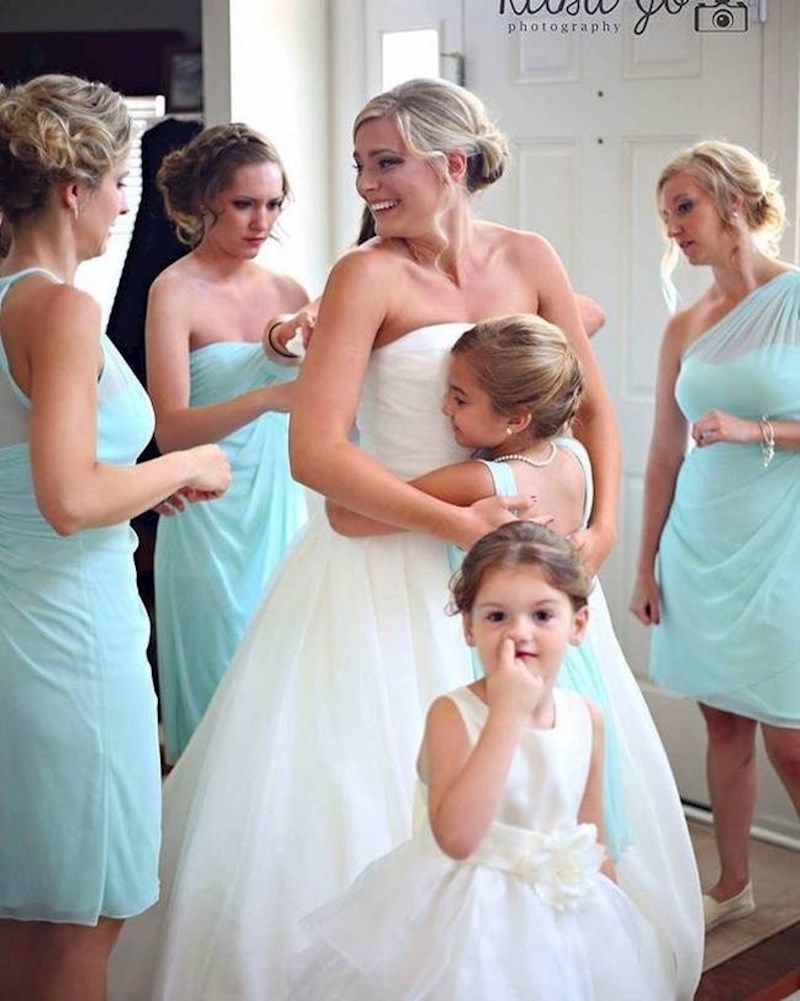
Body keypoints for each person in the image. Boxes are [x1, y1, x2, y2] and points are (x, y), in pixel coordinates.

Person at [109, 78, 700, 1000]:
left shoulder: (529, 257)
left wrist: (604, 528)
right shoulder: (366, 275)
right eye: (359, 165)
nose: (366, 184)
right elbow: (314, 451)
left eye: (385, 162)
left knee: (551, 780)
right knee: (372, 793)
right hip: (381, 566)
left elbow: (588, 410)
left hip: (521, 572)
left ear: (452, 163)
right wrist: (454, 522)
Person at [0, 74, 231, 1001]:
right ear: (73, 188)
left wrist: (129, 487)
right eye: (121, 182)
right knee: (84, 922)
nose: (124, 205)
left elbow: (39, 477)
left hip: (23, 627)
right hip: (71, 643)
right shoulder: (60, 310)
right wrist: (184, 465)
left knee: (27, 923)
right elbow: (66, 498)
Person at [288, 522, 672, 1000]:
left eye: (542, 614)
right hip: (468, 919)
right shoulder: (453, 715)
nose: (519, 632)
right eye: (496, 616)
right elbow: (457, 838)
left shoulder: (586, 717)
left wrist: (612, 927)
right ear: (469, 627)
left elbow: (592, 836)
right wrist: (506, 714)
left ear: (577, 624)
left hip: (560, 915)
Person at [630, 139, 800, 933]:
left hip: (783, 541)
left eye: (685, 207)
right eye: (666, 214)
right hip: (699, 540)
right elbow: (663, 452)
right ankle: (732, 883)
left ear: (734, 201)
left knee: (791, 739)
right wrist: (644, 564)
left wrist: (752, 428)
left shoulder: (797, 298)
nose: (674, 227)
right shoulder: (684, 323)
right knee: (723, 723)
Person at [147, 123, 311, 763]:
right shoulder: (174, 290)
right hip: (205, 517)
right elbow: (172, 430)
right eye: (244, 204)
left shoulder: (290, 294)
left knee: (280, 694)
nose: (260, 222)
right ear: (204, 201)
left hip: (280, 509)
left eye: (272, 204)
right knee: (217, 695)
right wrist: (265, 398)